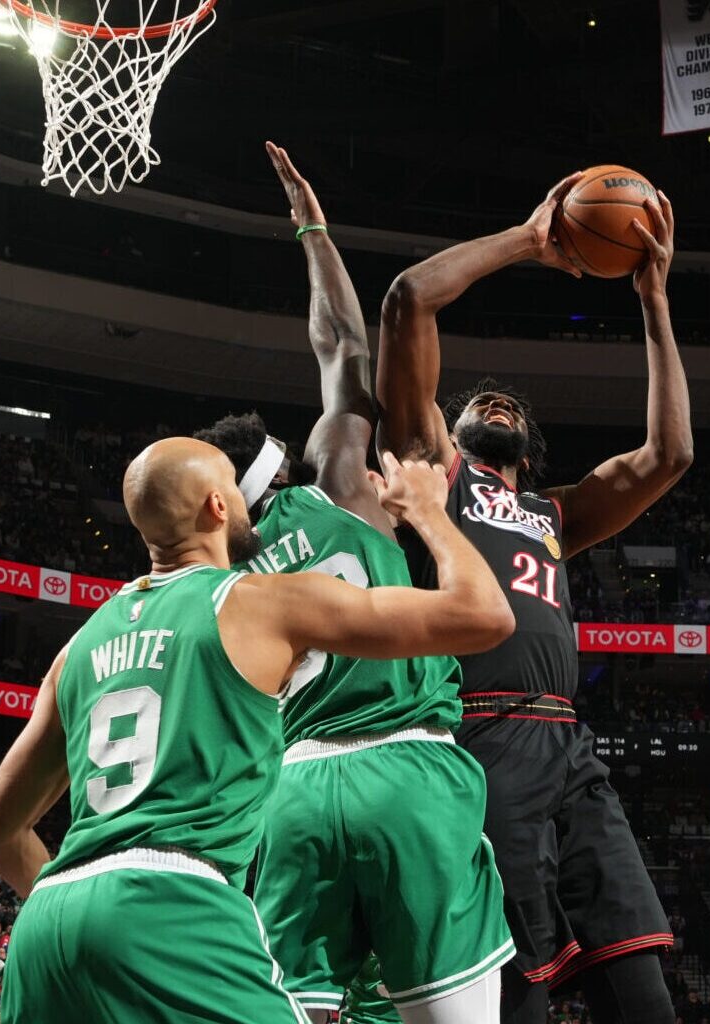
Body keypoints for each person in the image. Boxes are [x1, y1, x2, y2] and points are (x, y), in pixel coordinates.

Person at [0, 437, 513, 1024]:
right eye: (234, 482)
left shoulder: (78, 647)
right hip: (169, 903)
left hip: (47, 925)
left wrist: (82, 914)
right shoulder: (255, 601)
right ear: (217, 506)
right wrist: (430, 511)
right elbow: (483, 615)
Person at [191, 142, 511, 1024]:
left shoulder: (203, 575)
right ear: (280, 471)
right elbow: (339, 339)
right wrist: (311, 226)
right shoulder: (333, 483)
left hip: (290, 795)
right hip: (404, 763)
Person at [375, 172, 691, 1024]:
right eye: (481, 400)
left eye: (511, 404)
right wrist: (528, 240)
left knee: (644, 996)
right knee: (518, 995)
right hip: (476, 734)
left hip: (570, 745)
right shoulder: (434, 474)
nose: (499, 402)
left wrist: (652, 300)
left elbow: (668, 456)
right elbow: (408, 302)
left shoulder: (555, 512)